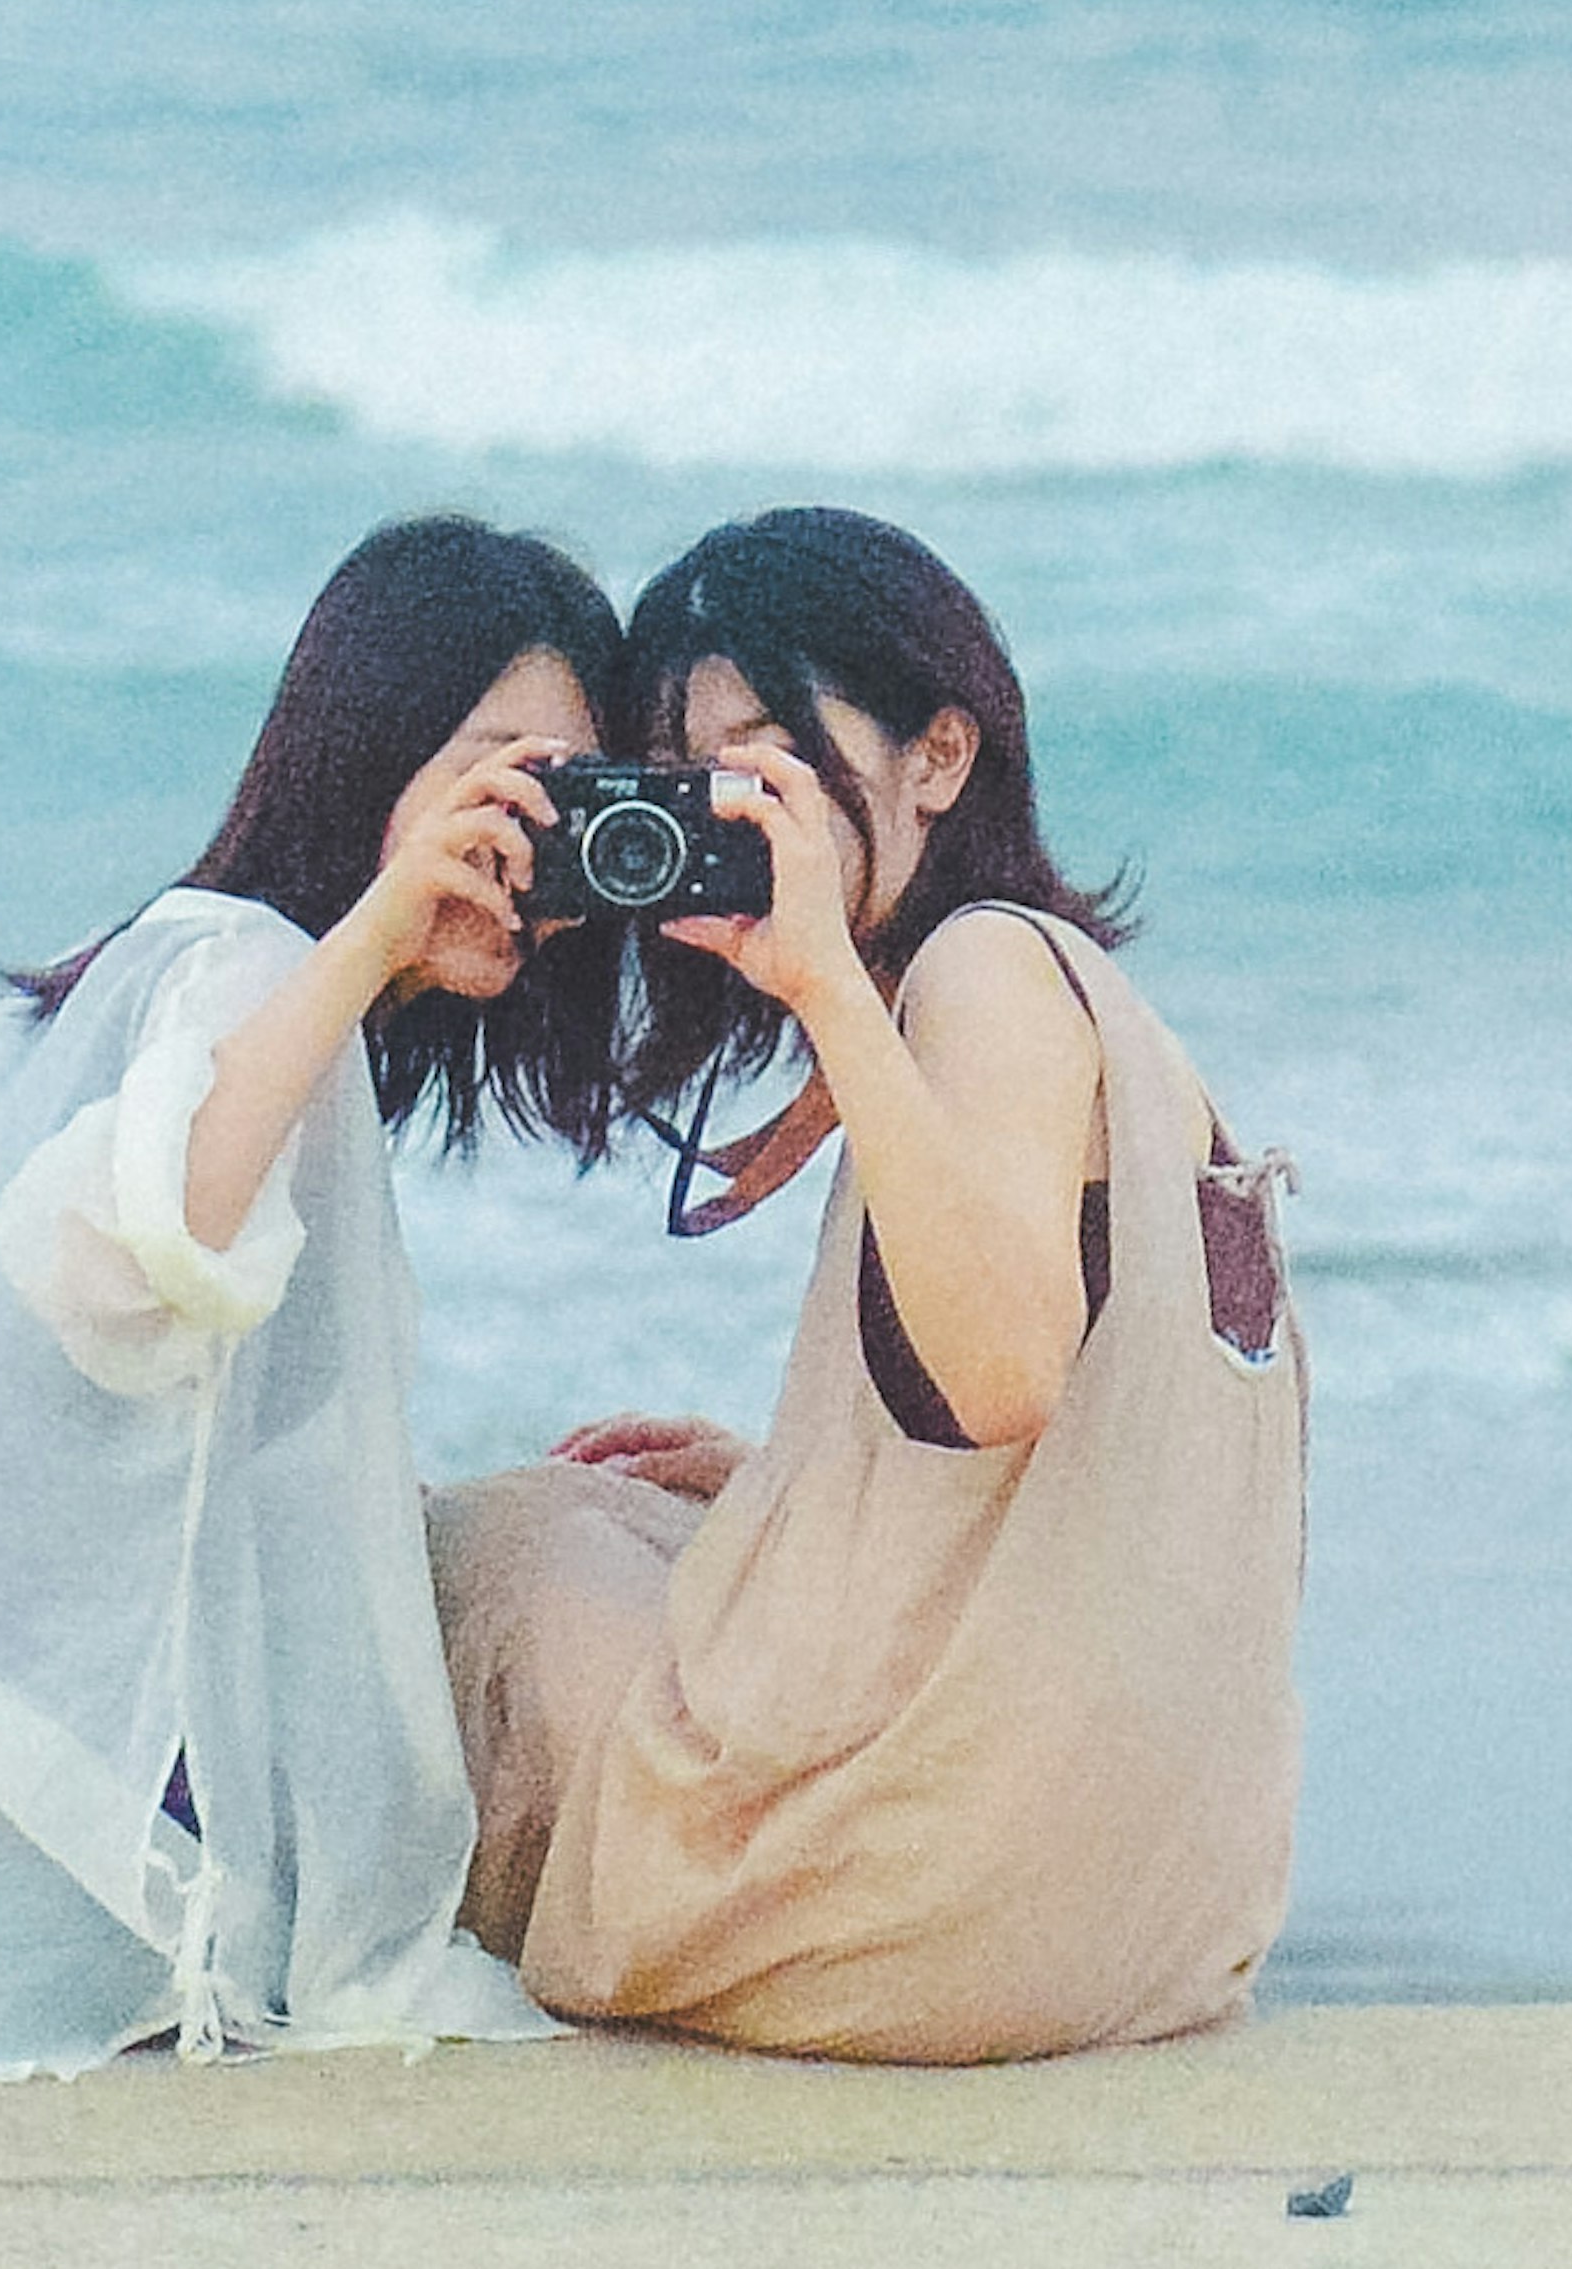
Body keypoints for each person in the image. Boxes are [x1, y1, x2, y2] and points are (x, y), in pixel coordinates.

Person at [0, 515, 624, 2079]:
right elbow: (142, 1251)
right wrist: (372, 934)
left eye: (577, 786)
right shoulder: (233, 963)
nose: (528, 824)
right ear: (370, 753)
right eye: (498, 765)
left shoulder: (203, 971)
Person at [428, 506, 1305, 2061]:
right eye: (698, 769)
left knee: (493, 1541)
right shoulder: (1102, 1025)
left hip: (936, 1919)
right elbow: (1085, 1468)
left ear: (939, 755)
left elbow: (1005, 1376)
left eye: (767, 751)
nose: (733, 800)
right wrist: (799, 1482)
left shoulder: (980, 972)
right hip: (1157, 1915)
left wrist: (828, 982)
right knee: (656, 1517)